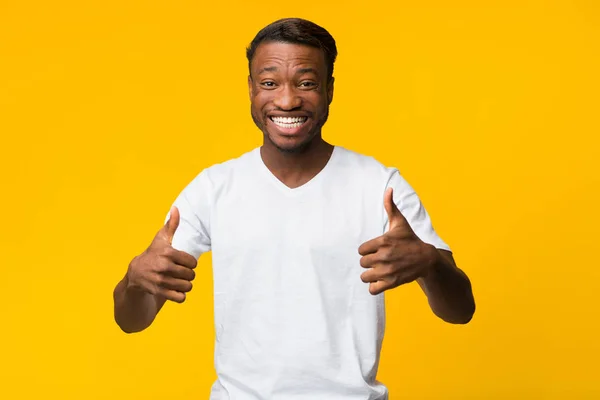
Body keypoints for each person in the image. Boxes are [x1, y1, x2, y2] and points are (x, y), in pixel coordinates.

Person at [113, 17, 475, 399]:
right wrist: (135, 278)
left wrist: (431, 263)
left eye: (306, 83)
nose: (287, 100)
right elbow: (131, 321)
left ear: (330, 89)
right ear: (251, 89)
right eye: (269, 83)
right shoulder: (214, 188)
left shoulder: (379, 186)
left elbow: (460, 310)